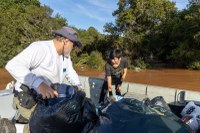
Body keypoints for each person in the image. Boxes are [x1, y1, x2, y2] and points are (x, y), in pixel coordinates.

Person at [5, 26, 83, 133]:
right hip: (27, 98)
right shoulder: (41, 48)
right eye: (73, 45)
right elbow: (12, 65)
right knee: (46, 127)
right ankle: (12, 129)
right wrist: (39, 84)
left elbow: (70, 72)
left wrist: (78, 85)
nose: (73, 48)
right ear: (65, 41)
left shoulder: (65, 57)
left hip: (45, 99)